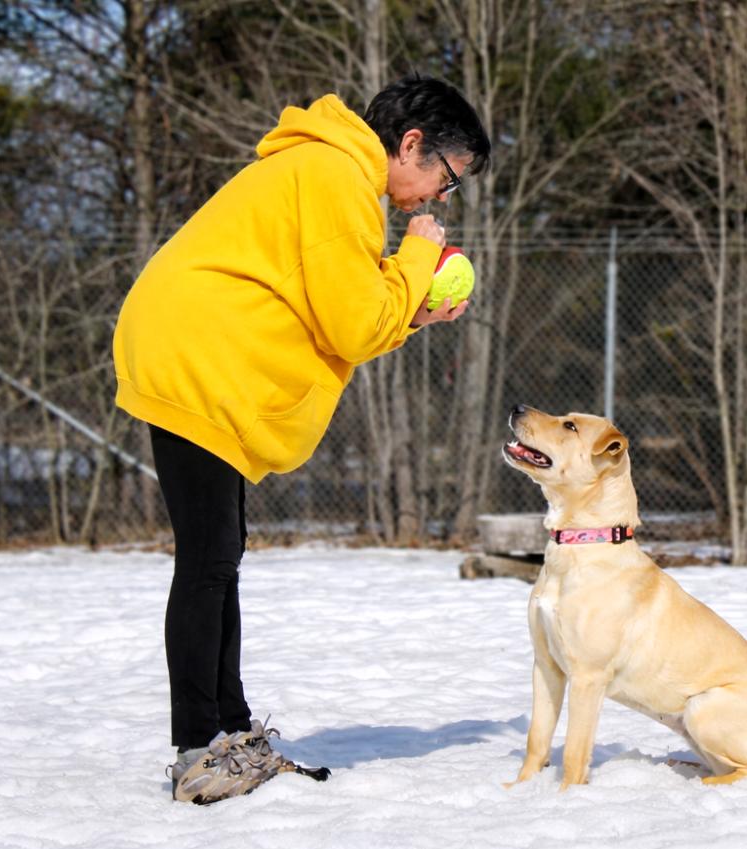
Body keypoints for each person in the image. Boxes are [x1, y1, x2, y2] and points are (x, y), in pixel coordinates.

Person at [112, 74, 491, 804]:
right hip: (194, 355)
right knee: (207, 559)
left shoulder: (333, 171)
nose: (441, 199)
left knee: (220, 555)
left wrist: (411, 311)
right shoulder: (333, 175)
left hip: (200, 353)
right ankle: (200, 749)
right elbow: (352, 325)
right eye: (447, 178)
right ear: (411, 145)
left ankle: (230, 732)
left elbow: (352, 309)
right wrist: (417, 260)